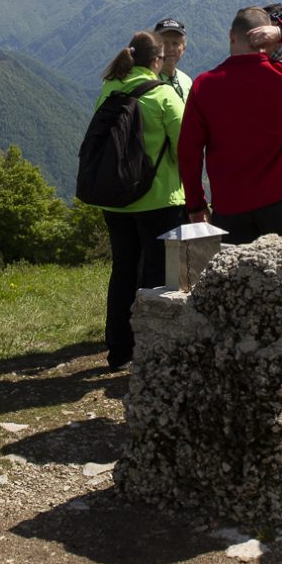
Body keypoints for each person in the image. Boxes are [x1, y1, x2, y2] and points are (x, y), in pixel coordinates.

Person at [178, 6, 282, 244]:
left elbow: (189, 152)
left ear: (231, 36)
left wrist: (195, 205)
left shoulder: (203, 86)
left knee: (236, 278)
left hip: (230, 204)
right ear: (268, 40)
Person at [87, 31, 186, 369]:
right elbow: (185, 147)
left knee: (123, 272)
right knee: (158, 277)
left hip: (116, 201)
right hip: (160, 200)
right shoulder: (163, 95)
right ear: (157, 61)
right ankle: (151, 350)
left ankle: (118, 350)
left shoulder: (109, 89)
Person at [153, 17, 194, 100]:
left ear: (184, 47)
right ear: (154, 46)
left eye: (175, 43)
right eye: (164, 43)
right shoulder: (148, 81)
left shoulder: (187, 81)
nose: (170, 48)